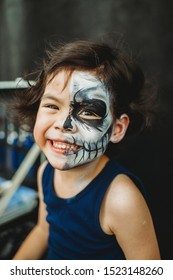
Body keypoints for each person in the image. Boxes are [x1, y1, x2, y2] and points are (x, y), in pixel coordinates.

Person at [13, 39, 160, 260]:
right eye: (52, 106)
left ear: (116, 129)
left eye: (88, 112)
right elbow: (43, 231)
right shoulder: (47, 173)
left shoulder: (121, 199)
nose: (63, 124)